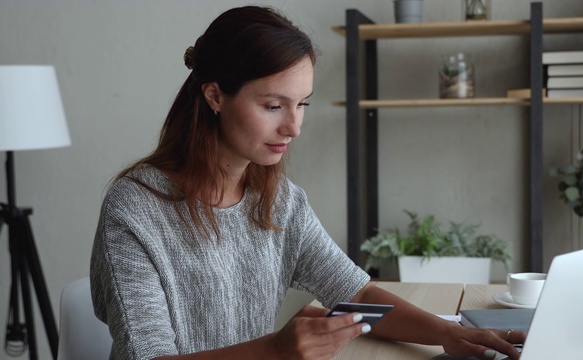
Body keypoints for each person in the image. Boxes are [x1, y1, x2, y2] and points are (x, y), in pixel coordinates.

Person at [90, 5, 525, 360]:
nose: (293, 127)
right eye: (274, 105)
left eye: (302, 104)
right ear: (215, 95)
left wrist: (448, 335)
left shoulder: (278, 201)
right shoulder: (135, 209)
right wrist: (276, 351)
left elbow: (354, 290)